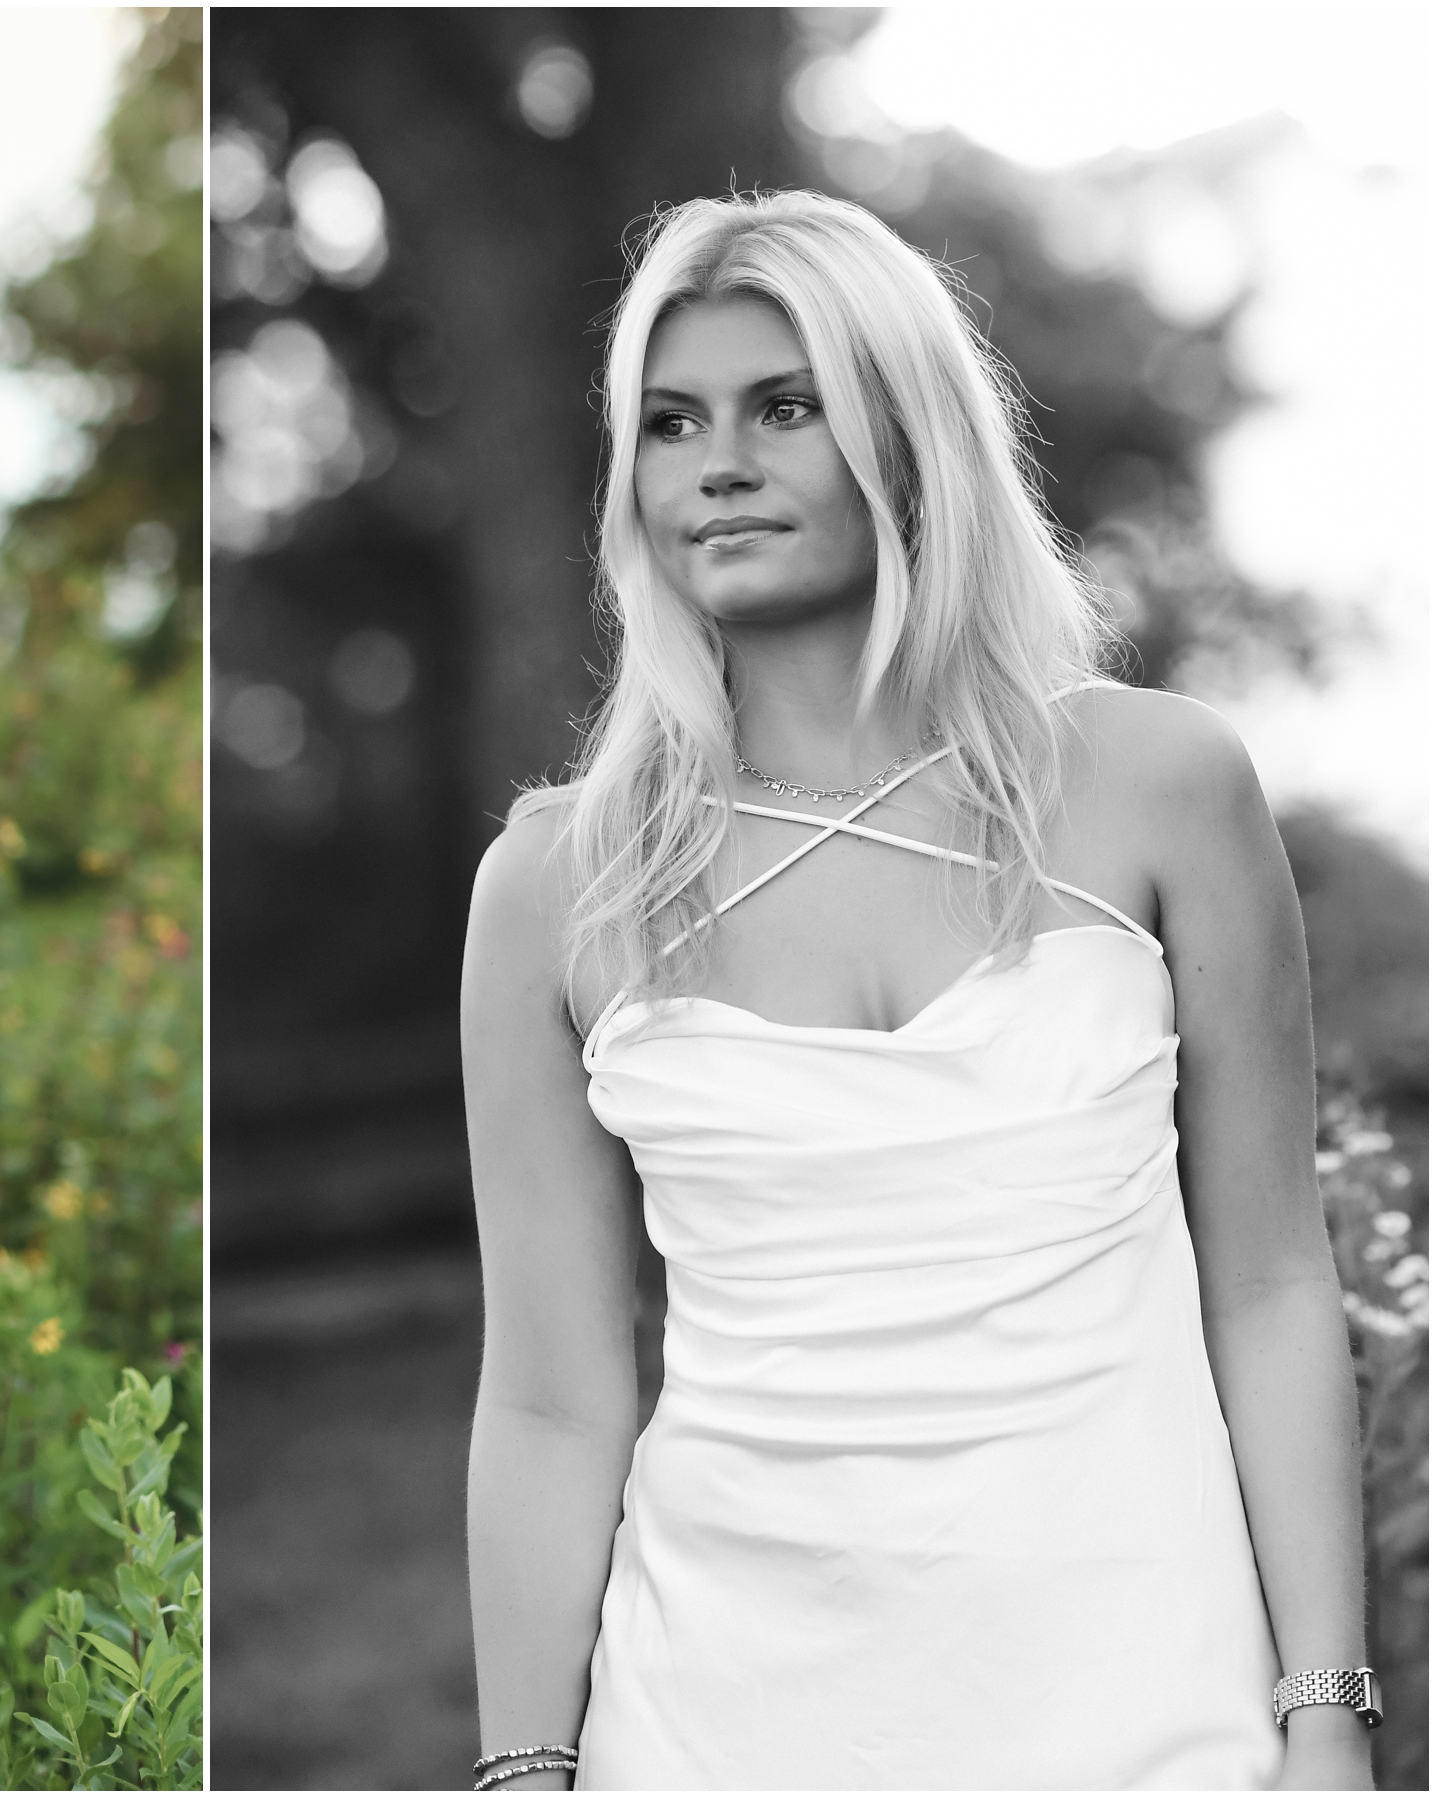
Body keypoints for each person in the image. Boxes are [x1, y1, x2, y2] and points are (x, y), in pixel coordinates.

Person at [461, 192, 1376, 1791]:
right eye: (667, 425)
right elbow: (549, 1397)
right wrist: (524, 1770)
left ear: (907, 436)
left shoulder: (1158, 786)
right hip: (716, 1716)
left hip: (1147, 1693)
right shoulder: (555, 883)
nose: (712, 465)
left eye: (783, 406)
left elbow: (1273, 1285)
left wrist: (1323, 1715)